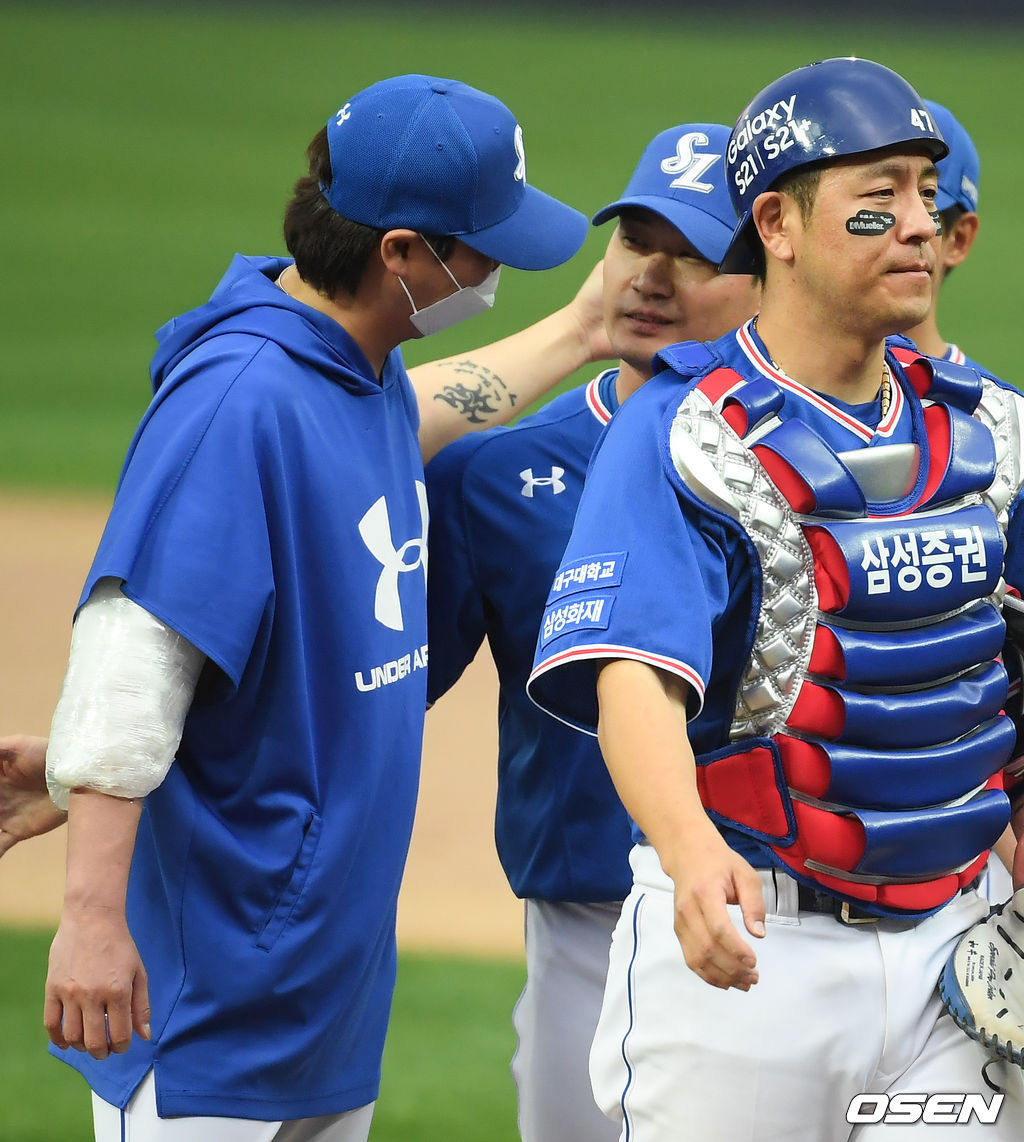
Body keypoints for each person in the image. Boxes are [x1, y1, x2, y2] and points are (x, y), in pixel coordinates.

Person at [22, 73, 589, 1142]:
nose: (497, 269)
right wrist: (93, 917)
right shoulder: (239, 401)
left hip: (317, 990)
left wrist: (587, 327)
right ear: (401, 253)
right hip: (212, 1002)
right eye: (483, 247)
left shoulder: (352, 372)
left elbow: (424, 411)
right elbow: (128, 654)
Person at [527, 58, 1024, 1140]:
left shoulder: (993, 432)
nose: (917, 228)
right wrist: (690, 847)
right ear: (778, 224)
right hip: (753, 957)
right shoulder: (685, 434)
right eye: (877, 200)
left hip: (963, 944)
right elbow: (633, 675)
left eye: (928, 197)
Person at [424, 122, 758, 1142]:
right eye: (632, 241)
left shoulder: (833, 471)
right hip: (587, 923)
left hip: (780, 916)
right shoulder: (491, 470)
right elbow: (378, 686)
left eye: (695, 253)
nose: (650, 276)